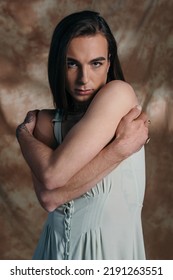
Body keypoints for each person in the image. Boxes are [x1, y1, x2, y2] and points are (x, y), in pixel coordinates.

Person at [16, 10, 149, 260]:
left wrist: (25, 137)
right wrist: (118, 150)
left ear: (109, 62)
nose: (83, 78)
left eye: (95, 63)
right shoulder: (45, 121)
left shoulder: (119, 94)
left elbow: (53, 177)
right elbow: (49, 197)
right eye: (72, 63)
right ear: (58, 64)